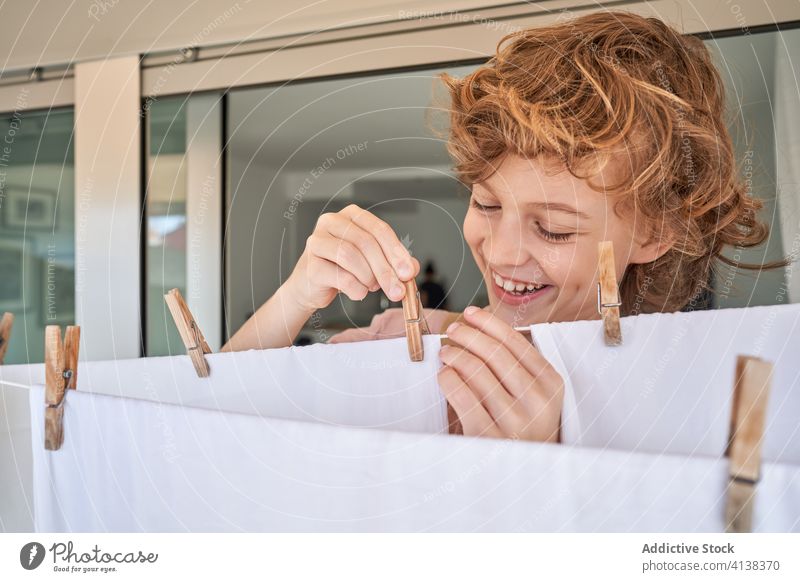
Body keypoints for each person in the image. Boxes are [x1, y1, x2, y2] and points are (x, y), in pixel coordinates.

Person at [223, 11, 787, 443]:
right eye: (487, 205)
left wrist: (539, 474)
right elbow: (208, 430)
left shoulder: (701, 400)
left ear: (655, 231)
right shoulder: (406, 348)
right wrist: (295, 297)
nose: (503, 253)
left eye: (555, 229)